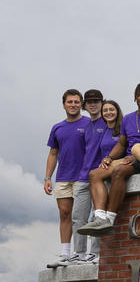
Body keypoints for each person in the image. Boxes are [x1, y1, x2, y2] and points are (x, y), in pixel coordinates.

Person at [78, 83, 140, 237]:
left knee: (118, 171)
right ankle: (100, 217)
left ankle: (110, 218)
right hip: (127, 158)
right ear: (136, 96)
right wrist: (109, 157)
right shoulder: (128, 118)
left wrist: (137, 155)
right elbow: (122, 144)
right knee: (94, 174)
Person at [44, 89, 89, 267]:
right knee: (64, 214)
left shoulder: (88, 124)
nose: (73, 105)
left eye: (76, 102)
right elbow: (53, 153)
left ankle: (82, 254)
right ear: (64, 104)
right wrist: (47, 177)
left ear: (82, 104)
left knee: (80, 216)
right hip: (63, 177)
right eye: (70, 102)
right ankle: (65, 253)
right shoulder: (57, 128)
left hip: (82, 176)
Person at [70, 89, 106, 264]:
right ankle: (79, 253)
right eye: (90, 101)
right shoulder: (83, 126)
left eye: (96, 101)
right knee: (78, 217)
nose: (93, 104)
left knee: (97, 217)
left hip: (100, 177)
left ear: (102, 102)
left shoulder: (107, 122)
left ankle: (95, 253)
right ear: (85, 105)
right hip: (83, 177)